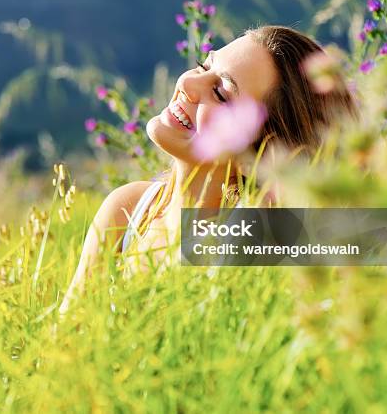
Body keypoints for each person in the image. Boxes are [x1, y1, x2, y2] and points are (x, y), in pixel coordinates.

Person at [59, 26, 356, 314]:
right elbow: (62, 343)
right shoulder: (128, 209)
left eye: (221, 93)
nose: (187, 84)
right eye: (203, 66)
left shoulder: (254, 257)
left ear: (264, 154)